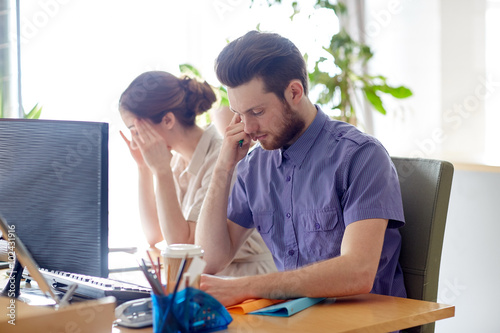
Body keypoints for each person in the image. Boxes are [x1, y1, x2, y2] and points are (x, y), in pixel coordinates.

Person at [195, 31, 407, 306]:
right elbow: (209, 259)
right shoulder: (254, 167)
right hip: (293, 320)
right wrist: (224, 166)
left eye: (257, 112)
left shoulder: (360, 156)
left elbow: (358, 272)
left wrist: (246, 287)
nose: (247, 128)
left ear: (294, 92)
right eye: (240, 114)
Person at [118, 70, 276, 276]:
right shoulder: (176, 162)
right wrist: (143, 168)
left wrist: (161, 172)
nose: (134, 139)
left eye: (135, 128)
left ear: (167, 120)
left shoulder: (223, 157)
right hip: (209, 278)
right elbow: (154, 235)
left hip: (244, 280)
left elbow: (185, 247)